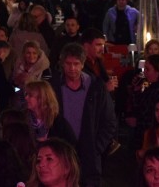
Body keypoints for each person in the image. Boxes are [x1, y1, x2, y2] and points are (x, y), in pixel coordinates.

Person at [49, 43, 116, 186]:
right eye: (68, 64)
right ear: (62, 64)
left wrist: (95, 148)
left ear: (82, 63)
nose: (72, 68)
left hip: (89, 157)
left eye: (76, 64)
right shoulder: (53, 86)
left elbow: (109, 121)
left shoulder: (96, 87)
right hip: (61, 152)